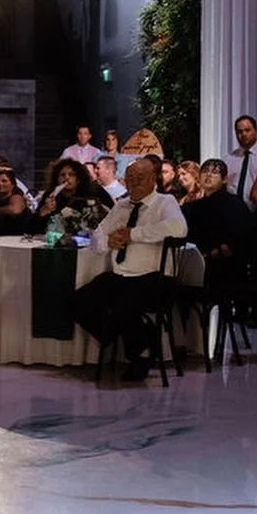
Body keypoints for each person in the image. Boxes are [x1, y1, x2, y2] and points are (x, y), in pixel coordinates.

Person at [75, 160, 188, 381]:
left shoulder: (165, 202)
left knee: (123, 304)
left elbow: (179, 228)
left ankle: (139, 355)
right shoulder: (121, 206)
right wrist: (109, 242)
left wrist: (133, 234)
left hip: (154, 277)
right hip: (121, 275)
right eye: (130, 179)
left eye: (140, 178)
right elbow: (97, 237)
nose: (134, 183)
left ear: (153, 179)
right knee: (79, 300)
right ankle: (143, 339)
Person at [185, 159, 250, 288]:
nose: (208, 175)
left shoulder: (234, 204)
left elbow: (239, 237)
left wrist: (214, 253)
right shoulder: (192, 207)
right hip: (196, 265)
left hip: (228, 268)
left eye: (214, 172)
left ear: (224, 179)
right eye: (205, 171)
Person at [226, 115, 257, 209]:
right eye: (239, 132)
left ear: (256, 131)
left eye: (247, 130)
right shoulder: (228, 159)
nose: (243, 134)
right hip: (233, 213)